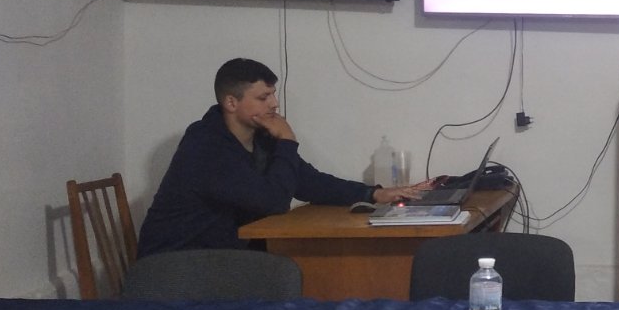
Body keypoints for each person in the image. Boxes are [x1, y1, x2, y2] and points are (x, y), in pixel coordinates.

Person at [139, 58, 429, 256]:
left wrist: (374, 194)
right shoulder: (205, 145)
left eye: (273, 94)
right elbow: (273, 201)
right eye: (263, 97)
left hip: (224, 256)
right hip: (180, 265)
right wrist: (288, 142)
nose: (275, 104)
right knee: (295, 270)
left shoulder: (261, 137)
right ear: (231, 102)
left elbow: (308, 181)